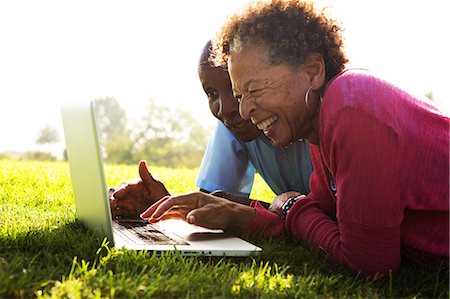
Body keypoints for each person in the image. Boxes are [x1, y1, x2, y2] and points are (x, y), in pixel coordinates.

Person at [141, 0, 449, 277]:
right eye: (239, 95)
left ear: (312, 72)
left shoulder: (352, 106)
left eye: (255, 90)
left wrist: (292, 208)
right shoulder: (321, 130)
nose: (244, 110)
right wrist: (248, 216)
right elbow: (319, 219)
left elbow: (370, 265)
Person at [109, 40, 313, 218]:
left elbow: (336, 217)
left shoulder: (317, 119)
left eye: (235, 89)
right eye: (211, 93)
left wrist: (282, 210)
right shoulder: (233, 126)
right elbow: (212, 202)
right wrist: (168, 204)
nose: (226, 109)